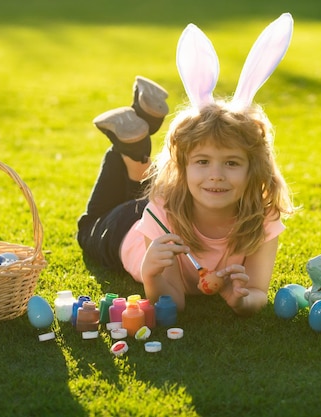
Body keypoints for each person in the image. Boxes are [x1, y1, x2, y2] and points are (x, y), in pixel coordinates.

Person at [78, 14, 296, 315]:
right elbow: (172, 302)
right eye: (202, 161)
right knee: (89, 224)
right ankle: (126, 150)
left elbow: (258, 291)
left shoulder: (262, 215)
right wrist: (152, 272)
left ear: (253, 168)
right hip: (118, 230)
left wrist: (243, 301)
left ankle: (139, 138)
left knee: (144, 192)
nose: (216, 176)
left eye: (231, 163)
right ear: (183, 166)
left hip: (163, 203)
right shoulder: (163, 212)